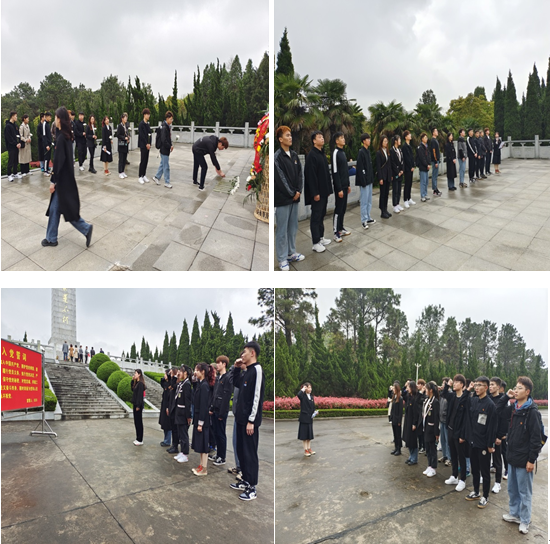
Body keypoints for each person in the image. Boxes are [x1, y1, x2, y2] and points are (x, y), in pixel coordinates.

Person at [42, 107, 93, 248]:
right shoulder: (66, 136)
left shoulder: (61, 138)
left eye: (56, 117)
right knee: (56, 209)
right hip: (66, 179)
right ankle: (51, 238)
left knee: (67, 210)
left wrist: (53, 181)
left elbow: (58, 162)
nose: (54, 120)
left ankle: (85, 228)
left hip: (62, 181)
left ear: (60, 119)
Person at [498, 377, 543, 535]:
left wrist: (531, 460)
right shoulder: (514, 408)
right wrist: (506, 397)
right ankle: (514, 514)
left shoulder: (532, 412)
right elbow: (497, 411)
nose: (516, 391)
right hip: (512, 456)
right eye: (515, 388)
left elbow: (536, 439)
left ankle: (525, 520)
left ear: (527, 392)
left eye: (519, 388)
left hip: (524, 460)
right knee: (512, 489)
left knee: (524, 492)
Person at [231, 341, 265, 501]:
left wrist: (252, 420)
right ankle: (245, 480)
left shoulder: (257, 370)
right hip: (240, 420)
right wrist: (236, 368)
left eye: (244, 352)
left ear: (252, 353)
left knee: (250, 453)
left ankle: (252, 488)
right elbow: (236, 382)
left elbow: (257, 397)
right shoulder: (247, 371)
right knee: (241, 451)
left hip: (249, 422)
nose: (242, 355)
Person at [274, 125, 304, 271]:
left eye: (290, 135)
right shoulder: (277, 157)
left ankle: (291, 253)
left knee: (293, 227)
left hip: (295, 197)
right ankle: (282, 258)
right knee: (282, 230)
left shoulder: (294, 155)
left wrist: (298, 191)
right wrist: (292, 193)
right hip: (283, 199)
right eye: (287, 135)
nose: (290, 137)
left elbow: (300, 174)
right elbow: (280, 179)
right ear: (280, 139)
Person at [465, 376, 497, 509]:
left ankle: (485, 496)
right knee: (475, 469)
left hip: (483, 444)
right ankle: (476, 491)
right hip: (473, 442)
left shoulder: (490, 405)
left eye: (479, 385)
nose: (476, 388)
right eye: (476, 385)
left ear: (486, 387)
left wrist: (490, 445)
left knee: (485, 471)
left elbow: (492, 428)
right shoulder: (474, 401)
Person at [304, 131, 333, 252]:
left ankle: (321, 237)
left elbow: (326, 173)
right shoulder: (312, 155)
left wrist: (328, 189)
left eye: (322, 137)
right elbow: (311, 176)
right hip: (317, 193)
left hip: (324, 191)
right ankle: (315, 242)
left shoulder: (322, 153)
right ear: (314, 141)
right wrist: (315, 193)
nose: (322, 139)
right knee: (316, 216)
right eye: (319, 137)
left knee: (322, 214)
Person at [442, 374, 470, 492]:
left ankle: (462, 479)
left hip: (460, 432)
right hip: (450, 429)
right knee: (453, 454)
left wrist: (463, 435)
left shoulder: (466, 398)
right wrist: (447, 385)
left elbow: (467, 419)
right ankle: (454, 476)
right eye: (454, 381)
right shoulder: (452, 396)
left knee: (461, 457)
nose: (454, 383)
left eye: (457, 382)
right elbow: (443, 394)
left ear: (462, 384)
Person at [191, 362, 216, 476]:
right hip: (199, 418)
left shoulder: (205, 386)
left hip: (203, 419)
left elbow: (203, 406)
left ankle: (204, 469)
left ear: (203, 372)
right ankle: (201, 465)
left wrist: (200, 423)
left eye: (197, 370)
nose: (195, 372)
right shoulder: (200, 384)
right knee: (200, 445)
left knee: (204, 445)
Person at [209, 356, 234, 466]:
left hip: (221, 411)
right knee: (216, 433)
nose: (217, 365)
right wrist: (211, 408)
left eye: (219, 363)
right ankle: (218, 454)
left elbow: (226, 397)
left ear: (224, 364)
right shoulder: (218, 378)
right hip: (215, 410)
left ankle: (222, 457)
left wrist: (222, 413)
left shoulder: (228, 378)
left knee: (221, 434)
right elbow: (215, 395)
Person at [488, 377, 508, 495]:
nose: (490, 387)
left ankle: (497, 483)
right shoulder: (488, 398)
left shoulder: (503, 400)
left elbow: (504, 421)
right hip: (487, 434)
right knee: (485, 458)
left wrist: (500, 436)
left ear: (499, 387)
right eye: (489, 385)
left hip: (497, 436)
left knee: (497, 460)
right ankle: (484, 476)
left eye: (493, 385)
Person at [331, 132, 351, 242]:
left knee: (343, 208)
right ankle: (335, 232)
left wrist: (348, 185)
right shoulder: (335, 153)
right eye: (341, 138)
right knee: (338, 209)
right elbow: (335, 172)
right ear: (336, 141)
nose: (343, 139)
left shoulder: (343, 152)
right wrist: (339, 189)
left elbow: (345, 171)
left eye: (344, 137)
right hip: (339, 187)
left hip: (345, 186)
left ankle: (341, 228)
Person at [355, 133, 376, 228]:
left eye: (369, 139)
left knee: (369, 200)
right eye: (367, 139)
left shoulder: (368, 151)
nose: (369, 141)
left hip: (369, 180)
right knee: (364, 201)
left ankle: (368, 217)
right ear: (363, 141)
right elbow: (360, 168)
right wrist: (363, 181)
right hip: (364, 181)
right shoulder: (361, 152)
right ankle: (364, 220)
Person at [174, 365, 193, 464]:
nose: (179, 373)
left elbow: (187, 401)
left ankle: (185, 454)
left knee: (184, 434)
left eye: (180, 371)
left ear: (185, 372)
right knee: (180, 434)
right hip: (179, 412)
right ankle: (182, 452)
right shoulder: (182, 383)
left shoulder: (187, 384)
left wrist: (188, 416)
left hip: (183, 413)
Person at [402, 380, 422, 465]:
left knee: (413, 441)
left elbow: (416, 413)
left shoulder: (415, 398)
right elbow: (403, 394)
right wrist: (405, 386)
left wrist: (414, 423)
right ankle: (410, 456)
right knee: (408, 440)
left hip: (412, 422)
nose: (407, 389)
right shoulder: (408, 397)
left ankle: (414, 458)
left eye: (408, 387)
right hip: (407, 421)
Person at [422, 382, 440, 477]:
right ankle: (429, 465)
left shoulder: (435, 402)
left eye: (426, 389)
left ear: (431, 390)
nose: (425, 390)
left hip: (432, 428)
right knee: (428, 448)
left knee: (433, 449)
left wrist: (437, 432)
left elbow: (436, 418)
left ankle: (433, 467)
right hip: (426, 428)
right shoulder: (427, 400)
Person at [153, 111, 174, 189]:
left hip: (165, 149)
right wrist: (169, 146)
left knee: (162, 164)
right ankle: (167, 182)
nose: (171, 121)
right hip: (164, 149)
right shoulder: (164, 127)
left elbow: (168, 138)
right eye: (171, 119)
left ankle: (156, 177)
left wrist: (171, 145)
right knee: (166, 166)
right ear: (167, 118)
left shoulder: (166, 126)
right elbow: (164, 140)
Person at [297, 382, 316, 457]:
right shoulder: (303, 396)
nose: (310, 389)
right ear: (305, 388)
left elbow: (313, 406)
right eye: (308, 387)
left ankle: (309, 448)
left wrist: (314, 412)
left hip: (310, 418)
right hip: (304, 418)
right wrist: (303, 389)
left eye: (311, 387)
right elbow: (298, 395)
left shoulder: (311, 396)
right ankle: (305, 450)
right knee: (304, 435)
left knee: (309, 435)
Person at [376, 135, 392, 218]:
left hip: (388, 175)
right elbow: (378, 166)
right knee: (382, 194)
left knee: (386, 193)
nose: (386, 143)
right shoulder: (379, 152)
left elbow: (389, 164)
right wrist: (380, 178)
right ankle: (382, 211)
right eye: (385, 141)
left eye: (387, 141)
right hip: (383, 175)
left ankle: (385, 209)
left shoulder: (387, 151)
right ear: (381, 142)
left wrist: (391, 175)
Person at [166, 368, 180, 454]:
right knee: (173, 428)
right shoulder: (172, 383)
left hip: (175, 409)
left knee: (175, 429)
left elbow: (174, 386)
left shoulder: (177, 384)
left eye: (171, 373)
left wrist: (175, 376)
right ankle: (173, 445)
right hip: (171, 407)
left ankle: (175, 446)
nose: (170, 375)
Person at [388, 382, 404, 456]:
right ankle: (396, 448)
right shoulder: (394, 397)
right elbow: (392, 409)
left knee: (398, 435)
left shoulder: (400, 398)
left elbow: (400, 411)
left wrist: (399, 421)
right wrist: (391, 417)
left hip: (397, 419)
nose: (393, 390)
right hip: (394, 419)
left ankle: (399, 449)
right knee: (395, 434)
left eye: (394, 388)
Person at [5, 111, 21, 181]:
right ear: (12, 116)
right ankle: (9, 174)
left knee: (16, 160)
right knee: (11, 160)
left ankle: (15, 173)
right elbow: (9, 137)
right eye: (16, 116)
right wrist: (15, 143)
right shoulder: (8, 126)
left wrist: (19, 143)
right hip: (11, 146)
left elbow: (18, 135)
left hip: (17, 146)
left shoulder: (16, 126)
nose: (16, 117)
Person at [438, 378, 451, 466]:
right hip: (441, 420)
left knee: (447, 440)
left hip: (447, 421)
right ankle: (444, 455)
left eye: (444, 384)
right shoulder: (442, 395)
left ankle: (449, 458)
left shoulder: (450, 394)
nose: (442, 385)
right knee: (442, 439)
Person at [138, 108, 153, 184]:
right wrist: (146, 144)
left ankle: (144, 175)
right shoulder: (141, 124)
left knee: (146, 160)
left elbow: (149, 134)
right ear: (144, 115)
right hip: (143, 145)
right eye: (147, 114)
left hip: (148, 145)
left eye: (149, 114)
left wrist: (149, 143)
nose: (149, 116)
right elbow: (142, 136)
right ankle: (140, 176)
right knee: (143, 160)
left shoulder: (147, 124)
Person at [390, 135, 404, 214]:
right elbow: (392, 163)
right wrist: (397, 172)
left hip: (400, 173)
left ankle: (398, 203)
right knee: (395, 189)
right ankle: (394, 205)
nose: (400, 141)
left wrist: (402, 170)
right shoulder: (392, 150)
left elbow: (402, 161)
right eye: (399, 139)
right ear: (395, 141)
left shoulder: (399, 150)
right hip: (395, 173)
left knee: (399, 189)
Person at [131, 369, 146, 445]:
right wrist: (132, 381)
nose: (135, 374)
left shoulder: (140, 384)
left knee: (139, 422)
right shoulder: (137, 383)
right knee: (136, 422)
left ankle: (140, 439)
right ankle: (138, 438)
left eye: (136, 373)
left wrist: (138, 406)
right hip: (135, 404)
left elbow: (140, 396)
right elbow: (132, 389)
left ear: (139, 374)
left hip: (138, 405)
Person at [159, 369, 173, 447]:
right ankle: (165, 440)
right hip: (164, 405)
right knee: (164, 424)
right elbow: (162, 383)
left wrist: (168, 407)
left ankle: (167, 441)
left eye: (165, 374)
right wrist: (164, 378)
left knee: (168, 425)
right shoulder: (166, 384)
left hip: (168, 406)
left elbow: (170, 398)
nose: (164, 375)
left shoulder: (170, 385)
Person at [402, 130, 416, 208]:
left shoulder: (409, 146)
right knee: (407, 184)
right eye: (409, 134)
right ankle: (405, 200)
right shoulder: (404, 147)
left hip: (411, 168)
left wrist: (413, 165)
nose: (410, 135)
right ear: (405, 137)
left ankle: (409, 198)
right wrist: (410, 166)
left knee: (410, 183)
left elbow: (411, 157)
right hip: (407, 168)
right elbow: (406, 159)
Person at [416, 133, 431, 202]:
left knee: (426, 181)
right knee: (423, 181)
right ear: (422, 139)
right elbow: (422, 158)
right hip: (423, 167)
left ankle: (425, 194)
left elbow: (428, 156)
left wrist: (429, 164)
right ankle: (422, 195)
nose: (426, 139)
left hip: (427, 166)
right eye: (425, 138)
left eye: (426, 138)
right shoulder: (420, 147)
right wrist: (426, 165)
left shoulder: (426, 146)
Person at [116, 113, 130, 179]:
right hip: (121, 145)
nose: (126, 119)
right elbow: (118, 135)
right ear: (122, 119)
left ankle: (123, 171)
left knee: (124, 158)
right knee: (121, 159)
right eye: (125, 118)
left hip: (125, 144)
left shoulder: (126, 126)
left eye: (126, 117)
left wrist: (128, 138)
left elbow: (127, 133)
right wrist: (124, 138)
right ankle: (120, 172)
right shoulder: (120, 126)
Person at [429, 128, 441, 196]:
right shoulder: (433, 141)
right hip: (435, 160)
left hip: (437, 160)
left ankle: (435, 188)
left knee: (436, 175)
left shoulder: (435, 140)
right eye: (436, 131)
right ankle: (434, 189)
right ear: (433, 133)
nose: (437, 132)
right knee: (434, 175)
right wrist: (435, 161)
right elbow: (433, 151)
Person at [43, 112, 53, 176]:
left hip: (49, 143)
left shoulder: (48, 124)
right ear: (46, 117)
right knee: (46, 157)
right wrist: (46, 145)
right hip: (46, 144)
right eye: (49, 117)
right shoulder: (44, 124)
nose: (50, 118)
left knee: (49, 157)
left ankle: (47, 169)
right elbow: (44, 135)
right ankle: (45, 171)